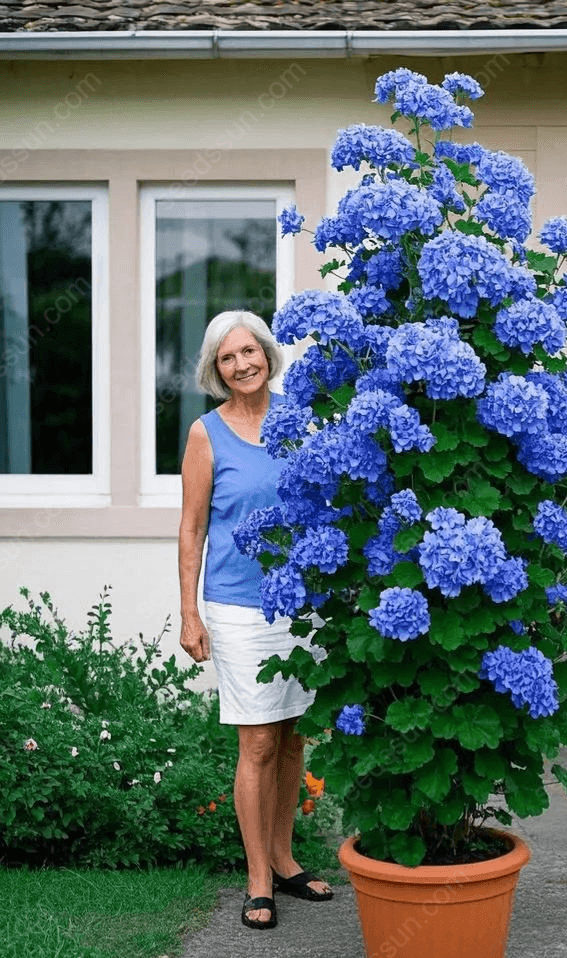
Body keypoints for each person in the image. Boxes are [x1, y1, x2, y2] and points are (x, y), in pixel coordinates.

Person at [178, 309, 332, 931]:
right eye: (227, 357)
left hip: (305, 603)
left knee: (294, 735)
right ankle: (258, 879)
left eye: (250, 351)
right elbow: (191, 529)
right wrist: (189, 612)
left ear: (268, 353)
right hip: (238, 605)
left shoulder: (302, 421)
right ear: (215, 370)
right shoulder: (205, 434)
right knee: (259, 739)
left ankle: (285, 857)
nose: (243, 364)